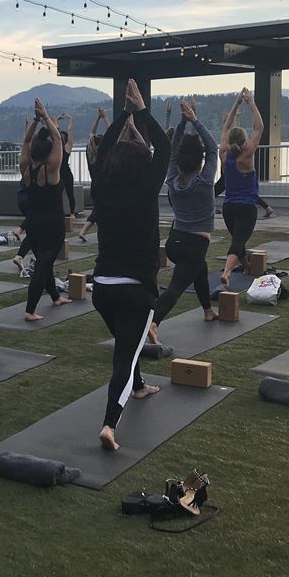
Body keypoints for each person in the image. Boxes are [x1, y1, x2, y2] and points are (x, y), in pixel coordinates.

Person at [90, 79, 169, 451]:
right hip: (136, 290)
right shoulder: (147, 187)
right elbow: (165, 147)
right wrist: (140, 111)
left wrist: (124, 114)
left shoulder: (102, 186)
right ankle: (109, 424)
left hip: (103, 289)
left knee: (129, 346)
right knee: (124, 354)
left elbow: (102, 151)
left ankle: (138, 386)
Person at [150, 99, 219, 340]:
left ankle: (208, 311)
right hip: (194, 244)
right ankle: (153, 322)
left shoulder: (172, 179)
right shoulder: (205, 181)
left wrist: (182, 122)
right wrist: (194, 121)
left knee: (200, 269)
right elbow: (213, 147)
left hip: (175, 241)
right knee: (176, 288)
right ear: (200, 161)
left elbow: (173, 150)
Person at [19, 98, 70, 321]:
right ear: (49, 151)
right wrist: (46, 117)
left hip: (33, 223)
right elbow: (58, 138)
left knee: (44, 261)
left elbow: (26, 140)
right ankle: (30, 310)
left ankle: (55, 296)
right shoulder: (51, 169)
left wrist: (35, 121)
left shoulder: (25, 167)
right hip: (52, 225)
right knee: (43, 264)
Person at [218, 88, 265, 286]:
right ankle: (227, 272)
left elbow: (226, 127)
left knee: (239, 240)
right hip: (246, 207)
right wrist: (250, 102)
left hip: (228, 207)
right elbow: (259, 127)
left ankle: (246, 266)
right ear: (244, 140)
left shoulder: (223, 152)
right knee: (238, 242)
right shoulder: (247, 154)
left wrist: (236, 103)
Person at [78, 108, 108, 242]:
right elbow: (113, 133)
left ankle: (84, 231)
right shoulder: (104, 156)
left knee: (98, 209)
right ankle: (84, 231)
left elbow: (91, 134)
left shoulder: (90, 153)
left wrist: (97, 118)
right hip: (105, 186)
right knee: (99, 210)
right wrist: (105, 118)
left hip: (94, 185)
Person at [58, 113, 77, 219]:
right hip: (58, 174)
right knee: (57, 194)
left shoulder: (66, 147)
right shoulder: (57, 149)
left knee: (70, 193)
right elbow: (55, 134)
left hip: (65, 174)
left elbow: (69, 131)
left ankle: (72, 213)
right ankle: (60, 212)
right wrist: (56, 121)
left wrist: (70, 120)